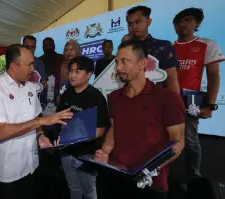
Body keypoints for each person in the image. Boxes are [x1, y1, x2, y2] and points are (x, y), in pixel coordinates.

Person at [95, 40, 185, 199]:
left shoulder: (168, 98)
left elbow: (177, 143)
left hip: (151, 185)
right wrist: (105, 151)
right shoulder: (114, 97)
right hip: (117, 179)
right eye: (116, 62)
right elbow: (115, 128)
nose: (118, 68)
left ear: (142, 63)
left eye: (125, 61)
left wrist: (147, 170)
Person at [0, 44, 73, 199]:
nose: (33, 68)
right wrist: (41, 122)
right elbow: (1, 133)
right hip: (9, 171)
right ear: (14, 66)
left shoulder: (30, 87)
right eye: (30, 64)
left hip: (32, 165)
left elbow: (34, 119)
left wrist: (40, 137)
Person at [172, 8, 225, 181]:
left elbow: (214, 76)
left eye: (187, 20)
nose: (182, 24)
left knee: (191, 141)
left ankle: (194, 177)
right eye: (178, 21)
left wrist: (209, 105)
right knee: (166, 140)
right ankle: (167, 175)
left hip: (190, 102)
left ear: (197, 23)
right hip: (168, 101)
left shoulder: (207, 45)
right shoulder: (169, 48)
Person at [57, 56, 109, 199]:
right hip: (66, 152)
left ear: (89, 74)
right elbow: (59, 119)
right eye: (71, 71)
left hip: (86, 155)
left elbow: (100, 131)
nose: (72, 75)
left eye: (77, 71)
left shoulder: (96, 98)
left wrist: (75, 136)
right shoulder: (67, 94)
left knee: (89, 192)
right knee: (73, 189)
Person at [126, 6, 180, 93]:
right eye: (130, 24)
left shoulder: (163, 46)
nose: (134, 26)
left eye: (138, 21)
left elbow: (172, 80)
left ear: (148, 22)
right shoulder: (125, 50)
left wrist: (175, 105)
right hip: (130, 100)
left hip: (157, 101)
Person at [22, 35, 48, 107]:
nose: (30, 49)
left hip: (34, 102)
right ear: (22, 46)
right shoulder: (16, 62)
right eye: (27, 47)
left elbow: (44, 84)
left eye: (32, 47)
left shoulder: (40, 63)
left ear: (35, 47)